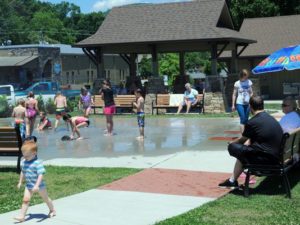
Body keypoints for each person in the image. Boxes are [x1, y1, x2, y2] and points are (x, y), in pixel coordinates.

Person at [219, 96, 283, 189]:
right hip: (277, 155)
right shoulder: (270, 118)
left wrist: (232, 143)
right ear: (262, 105)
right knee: (244, 152)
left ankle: (232, 181)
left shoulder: (253, 122)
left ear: (250, 107)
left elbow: (241, 140)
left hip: (267, 159)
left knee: (233, 148)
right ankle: (232, 180)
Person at [14, 140, 55, 222]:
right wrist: (20, 182)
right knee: (25, 200)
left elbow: (41, 174)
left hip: (40, 186)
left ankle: (52, 210)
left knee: (46, 199)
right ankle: (22, 216)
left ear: (34, 153)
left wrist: (37, 185)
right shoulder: (24, 162)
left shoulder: (37, 163)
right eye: (24, 156)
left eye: (27, 156)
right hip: (29, 186)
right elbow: (23, 171)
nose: (25, 158)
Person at [232, 69, 253, 133]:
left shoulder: (249, 82)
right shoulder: (237, 83)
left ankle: (246, 134)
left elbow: (251, 92)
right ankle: (243, 136)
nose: (247, 77)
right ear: (242, 75)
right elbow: (234, 94)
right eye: (245, 76)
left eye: (247, 76)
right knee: (242, 118)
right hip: (239, 103)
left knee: (246, 119)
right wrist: (233, 105)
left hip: (248, 103)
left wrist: (251, 101)